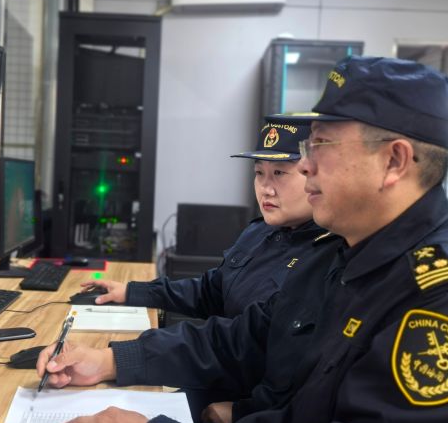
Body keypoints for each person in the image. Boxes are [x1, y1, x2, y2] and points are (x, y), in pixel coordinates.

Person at [36, 56, 448, 423]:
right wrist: (111, 361)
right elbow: (246, 340)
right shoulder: (348, 253)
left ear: (394, 161)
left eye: (319, 146)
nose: (304, 167)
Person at [81, 117, 328, 319]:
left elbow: (242, 342)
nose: (265, 188)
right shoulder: (260, 232)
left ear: (315, 175)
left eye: (279, 173)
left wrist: (126, 356)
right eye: (259, 172)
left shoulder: (326, 258)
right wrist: (133, 292)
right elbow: (211, 291)